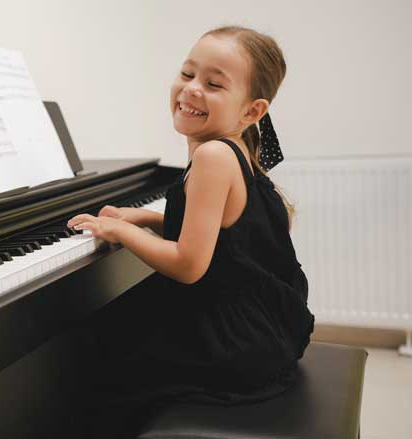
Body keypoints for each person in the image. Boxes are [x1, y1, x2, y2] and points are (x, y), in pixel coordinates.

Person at [66, 25, 315, 438]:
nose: (192, 89)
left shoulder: (213, 156)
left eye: (214, 84)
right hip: (266, 327)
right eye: (187, 74)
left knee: (108, 350)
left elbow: (188, 265)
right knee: (119, 323)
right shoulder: (233, 150)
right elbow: (228, 236)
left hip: (235, 343)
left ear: (252, 111)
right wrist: (147, 219)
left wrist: (120, 231)